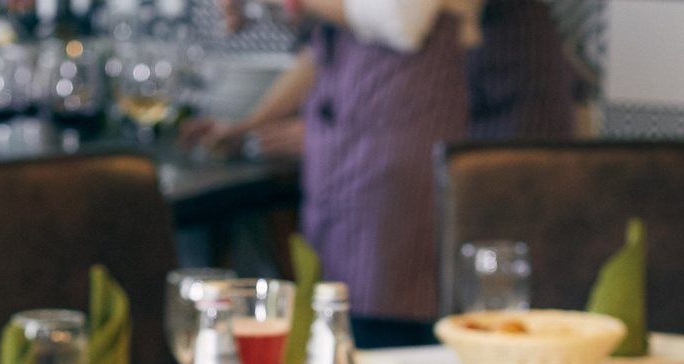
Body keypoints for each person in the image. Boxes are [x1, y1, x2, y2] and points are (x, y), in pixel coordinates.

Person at [193, 0, 573, 322]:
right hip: (357, 161)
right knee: (343, 313)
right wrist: (248, 125)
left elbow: (402, 18)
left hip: (413, 154)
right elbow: (324, 51)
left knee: (400, 312)